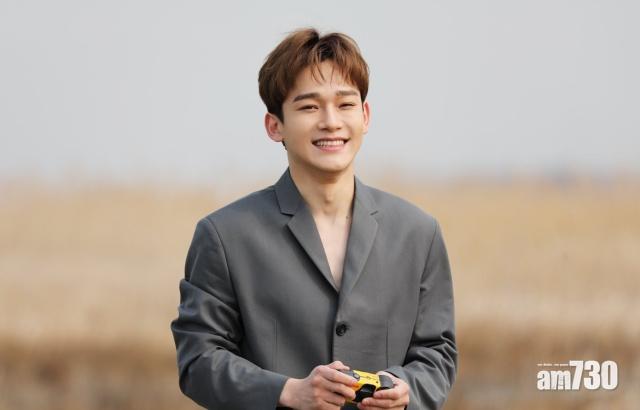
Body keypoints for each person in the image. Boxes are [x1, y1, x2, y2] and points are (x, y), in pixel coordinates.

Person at [171, 28, 457, 410]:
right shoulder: (224, 236)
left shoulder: (418, 233)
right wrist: (287, 392)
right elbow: (198, 359)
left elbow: (438, 351)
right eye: (309, 107)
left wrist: (407, 389)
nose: (330, 122)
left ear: (365, 116)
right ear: (275, 125)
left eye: (345, 104)